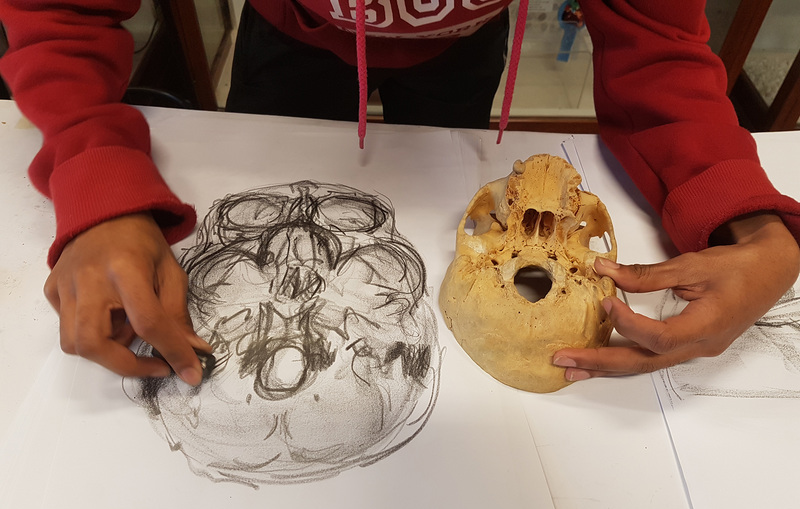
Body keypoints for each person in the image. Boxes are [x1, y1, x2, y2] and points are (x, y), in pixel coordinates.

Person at [0, 0, 798, 387]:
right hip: (295, 38)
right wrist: (91, 167)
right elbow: (62, 13)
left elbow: (658, 48)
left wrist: (748, 219)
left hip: (465, 54)